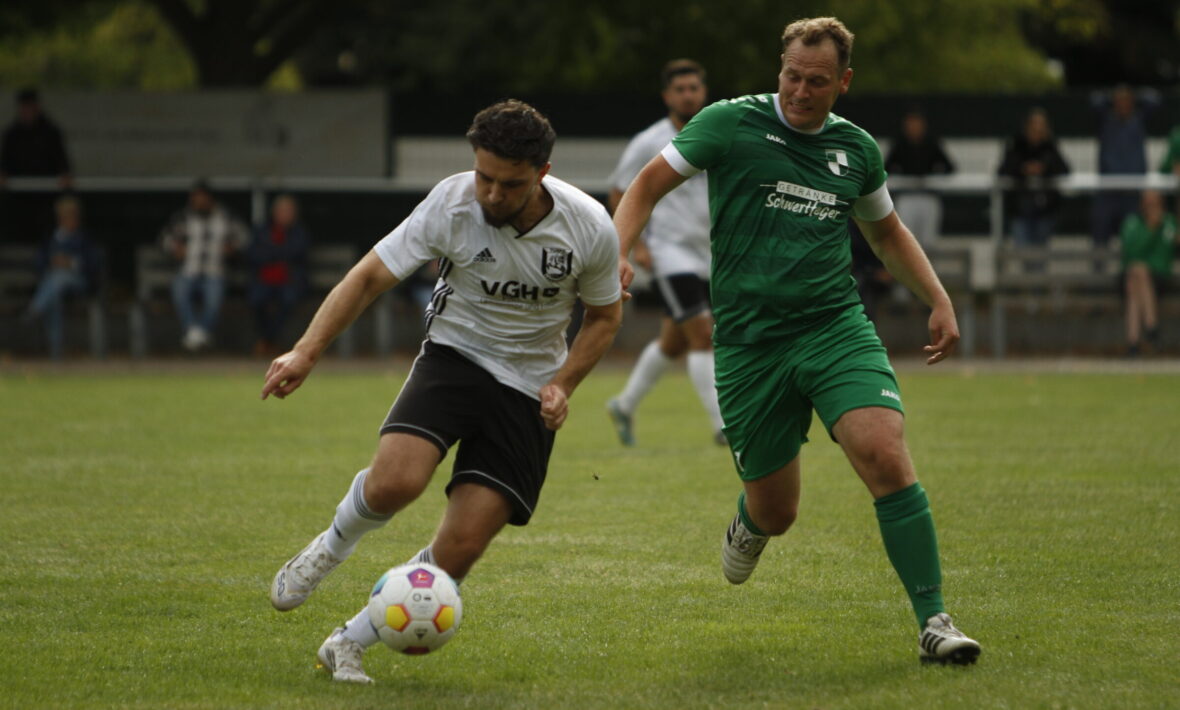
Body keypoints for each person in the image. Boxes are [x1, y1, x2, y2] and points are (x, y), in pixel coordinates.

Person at [612, 17, 980, 665]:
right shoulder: (729, 123)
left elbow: (886, 233)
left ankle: (935, 620)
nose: (801, 91)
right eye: (792, 76)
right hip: (750, 345)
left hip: (834, 326)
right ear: (778, 69)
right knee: (778, 511)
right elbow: (644, 186)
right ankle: (751, 524)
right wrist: (617, 253)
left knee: (884, 452)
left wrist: (939, 298)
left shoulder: (856, 149)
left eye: (817, 81)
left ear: (844, 82)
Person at [263, 100, 623, 684]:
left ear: (543, 173)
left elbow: (605, 317)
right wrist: (306, 351)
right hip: (455, 356)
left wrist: (563, 384)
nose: (492, 194)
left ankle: (347, 643)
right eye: (484, 177)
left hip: (529, 387)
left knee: (462, 547)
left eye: (510, 184)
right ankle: (331, 546)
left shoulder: (589, 226)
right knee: (395, 483)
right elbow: (370, 276)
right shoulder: (451, 203)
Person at [605, 59, 724, 446]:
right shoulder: (649, 141)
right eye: (680, 89)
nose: (688, 95)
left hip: (711, 253)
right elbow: (620, 191)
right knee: (703, 334)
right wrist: (636, 244)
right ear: (666, 96)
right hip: (669, 253)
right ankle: (723, 425)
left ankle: (624, 404)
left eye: (694, 88)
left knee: (675, 342)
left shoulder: (717, 130)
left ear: (703, 92)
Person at [159, 179, 248, 351]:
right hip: (188, 271)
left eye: (202, 198)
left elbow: (244, 238)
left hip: (215, 271)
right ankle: (196, 332)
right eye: (195, 198)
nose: (198, 202)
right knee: (180, 290)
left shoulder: (225, 217)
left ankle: (198, 334)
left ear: (210, 198)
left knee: (214, 297)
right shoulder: (183, 218)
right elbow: (164, 239)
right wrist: (175, 248)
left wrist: (232, 248)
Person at [1090, 86, 1160, 264]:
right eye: (1119, 101)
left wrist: (1135, 95)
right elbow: (1095, 101)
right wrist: (1111, 96)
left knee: (1133, 234)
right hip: (1107, 190)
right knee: (1100, 233)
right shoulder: (1107, 121)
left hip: (1132, 191)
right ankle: (1098, 271)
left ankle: (1131, 272)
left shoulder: (1138, 120)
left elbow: (1154, 100)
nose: (1123, 105)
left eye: (1126, 101)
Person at [23, 195, 98, 359]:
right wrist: (52, 262)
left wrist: (70, 263)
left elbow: (93, 264)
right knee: (54, 295)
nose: (69, 220)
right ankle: (56, 351)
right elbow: (39, 261)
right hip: (53, 285)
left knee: (58, 279)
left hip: (77, 283)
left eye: (72, 216)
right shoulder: (52, 237)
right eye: (65, 216)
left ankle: (35, 308)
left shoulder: (83, 238)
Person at [0, 88, 73, 243]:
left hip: (46, 197)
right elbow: (5, 162)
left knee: (47, 228)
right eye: (24, 107)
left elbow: (62, 161)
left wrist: (64, 174)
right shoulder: (12, 134)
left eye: (30, 107)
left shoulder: (50, 132)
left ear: (37, 107)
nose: (27, 111)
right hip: (19, 197)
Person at [997, 108, 1070, 248]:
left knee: (1040, 251)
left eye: (1041, 125)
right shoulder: (1016, 144)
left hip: (1045, 208)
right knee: (1022, 248)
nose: (1037, 129)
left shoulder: (1050, 146)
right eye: (1034, 124)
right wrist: (1023, 169)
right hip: (1020, 208)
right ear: (1027, 126)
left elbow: (1064, 170)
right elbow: (1003, 170)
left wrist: (1044, 168)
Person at [247, 194, 309, 356]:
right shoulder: (263, 230)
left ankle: (266, 341)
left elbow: (297, 253)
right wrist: (278, 253)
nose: (285, 215)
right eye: (282, 211)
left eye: (289, 211)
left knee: (288, 300)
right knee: (257, 300)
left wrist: (272, 252)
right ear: (274, 212)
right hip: (264, 279)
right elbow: (254, 254)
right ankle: (270, 342)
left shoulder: (299, 232)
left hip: (290, 280)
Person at [884, 109, 954, 247]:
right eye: (911, 124)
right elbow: (886, 167)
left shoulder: (932, 143)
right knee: (906, 239)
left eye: (917, 124)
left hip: (928, 195)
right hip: (906, 196)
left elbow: (949, 167)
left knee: (928, 241)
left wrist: (933, 176)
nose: (914, 128)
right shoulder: (899, 144)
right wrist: (901, 176)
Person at [1120, 190, 1176, 356]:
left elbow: (1169, 251)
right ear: (1142, 205)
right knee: (1138, 272)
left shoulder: (1169, 222)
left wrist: (1164, 227)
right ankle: (1151, 326)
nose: (1152, 207)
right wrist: (1151, 229)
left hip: (1159, 277)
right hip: (1132, 276)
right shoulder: (1132, 223)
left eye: (1155, 203)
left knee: (1136, 282)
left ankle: (1133, 345)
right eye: (1148, 203)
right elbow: (1131, 253)